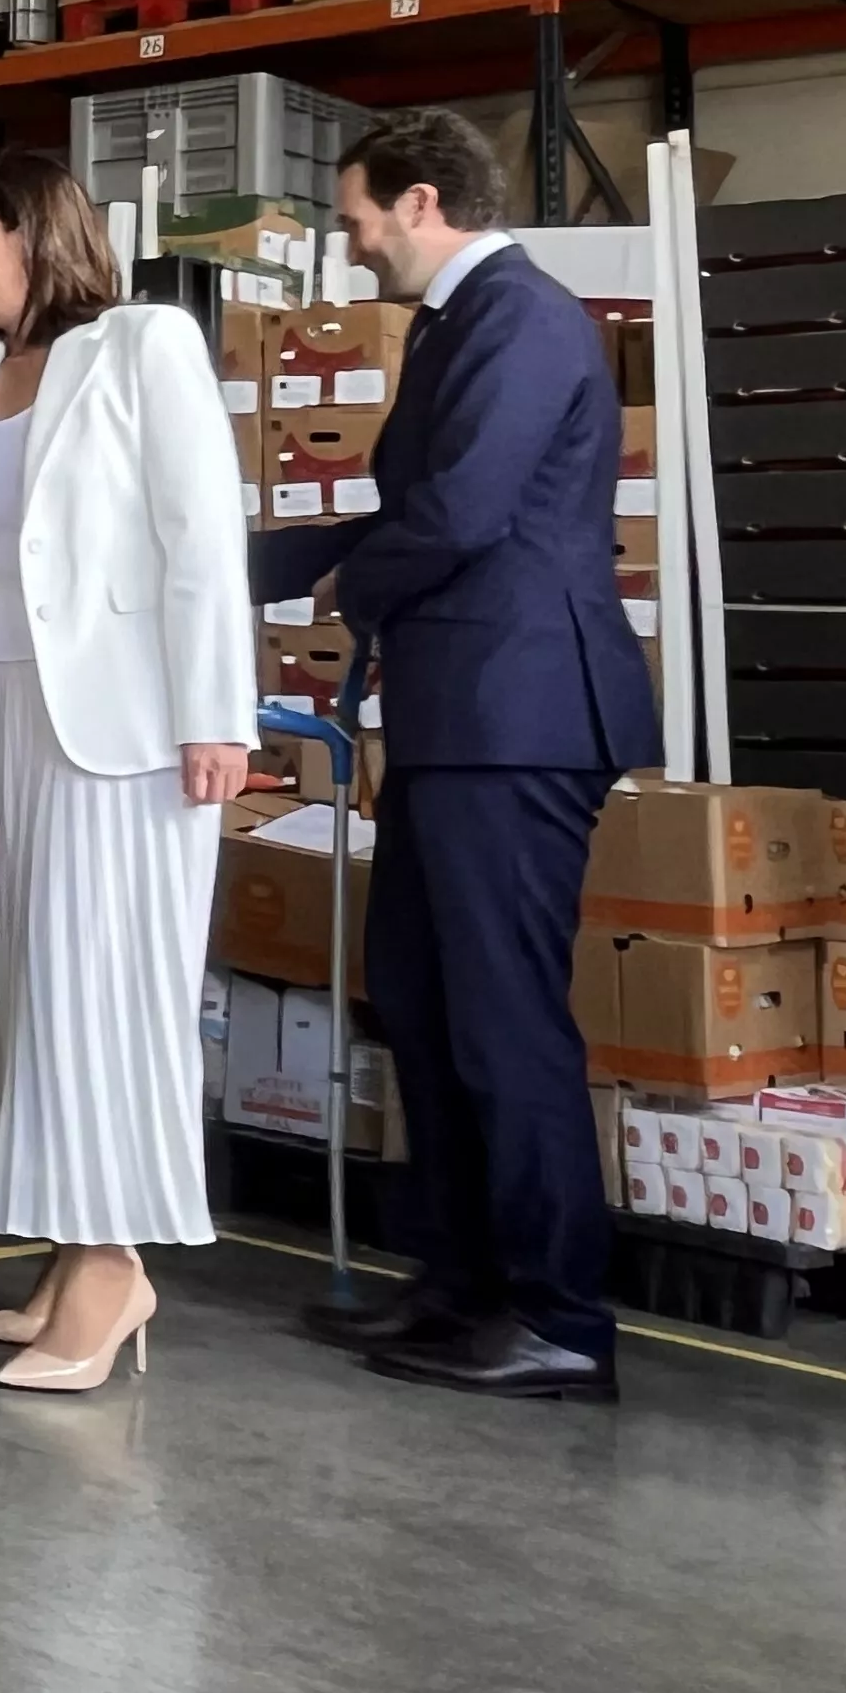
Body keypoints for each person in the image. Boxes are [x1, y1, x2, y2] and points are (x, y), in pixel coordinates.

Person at [253, 106, 654, 1403]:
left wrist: (346, 591)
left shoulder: (521, 319)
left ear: (423, 201)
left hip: (516, 722)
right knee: (420, 1001)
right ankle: (461, 1284)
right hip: (460, 720)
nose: (352, 242)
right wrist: (254, 559)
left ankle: (557, 1318)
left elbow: (468, 511)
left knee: (501, 1021)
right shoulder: (465, 325)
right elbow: (429, 502)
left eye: (360, 215)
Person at [0, 150, 255, 1390]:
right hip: (4, 709)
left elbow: (200, 534)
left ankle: (119, 1267)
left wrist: (216, 714)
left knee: (103, 986)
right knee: (25, 988)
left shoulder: (141, 345)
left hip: (125, 727)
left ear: (30, 233)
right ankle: (75, 1254)